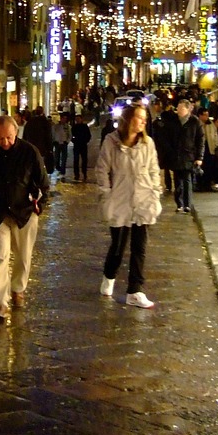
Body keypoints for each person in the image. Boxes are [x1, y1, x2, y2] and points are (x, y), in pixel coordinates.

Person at [0, 115, 50, 321]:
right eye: (1, 138)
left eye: (9, 138)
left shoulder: (29, 152)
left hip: (24, 212)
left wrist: (39, 205)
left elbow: (43, 182)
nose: (5, 142)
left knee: (23, 255)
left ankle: (18, 289)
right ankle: (0, 302)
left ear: (16, 133)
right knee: (1, 256)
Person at [94, 103, 161, 309]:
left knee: (139, 247)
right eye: (139, 117)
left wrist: (155, 192)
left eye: (145, 118)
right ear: (128, 119)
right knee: (118, 247)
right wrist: (106, 195)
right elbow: (102, 170)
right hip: (120, 201)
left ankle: (135, 290)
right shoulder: (111, 142)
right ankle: (109, 275)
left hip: (143, 201)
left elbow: (153, 169)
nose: (143, 121)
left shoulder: (148, 143)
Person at [161, 99, 204, 213]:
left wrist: (199, 157)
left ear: (188, 109)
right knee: (177, 181)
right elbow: (166, 137)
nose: (179, 110)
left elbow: (200, 140)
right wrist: (169, 151)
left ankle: (187, 204)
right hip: (176, 155)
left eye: (181, 108)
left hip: (189, 155)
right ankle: (179, 203)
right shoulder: (173, 121)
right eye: (178, 108)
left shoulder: (195, 122)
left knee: (187, 180)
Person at [21, 107, 54, 175]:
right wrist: (50, 148)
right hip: (42, 148)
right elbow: (48, 136)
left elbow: (25, 136)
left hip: (31, 147)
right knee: (41, 165)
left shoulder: (29, 122)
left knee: (32, 164)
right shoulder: (45, 122)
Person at [70, 112, 92, 181]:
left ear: (81, 119)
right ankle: (77, 174)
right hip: (76, 145)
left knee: (84, 160)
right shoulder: (74, 127)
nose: (77, 120)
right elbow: (71, 135)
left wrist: (85, 141)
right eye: (76, 119)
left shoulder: (85, 126)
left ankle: (84, 173)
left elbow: (89, 135)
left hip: (83, 145)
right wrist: (74, 140)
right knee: (76, 160)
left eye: (78, 119)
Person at [51, 113, 70, 179]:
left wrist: (67, 141)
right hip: (57, 143)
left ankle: (63, 171)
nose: (64, 120)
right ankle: (58, 167)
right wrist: (54, 141)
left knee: (64, 158)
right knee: (57, 158)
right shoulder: (56, 126)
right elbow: (53, 134)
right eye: (63, 118)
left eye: (65, 119)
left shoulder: (67, 126)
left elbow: (69, 135)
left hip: (64, 143)